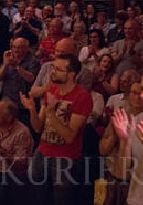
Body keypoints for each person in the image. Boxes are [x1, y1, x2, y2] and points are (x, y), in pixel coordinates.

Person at [21, 54, 93, 205]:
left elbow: (69, 137)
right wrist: (32, 110)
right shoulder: (51, 90)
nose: (52, 71)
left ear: (71, 74)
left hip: (65, 159)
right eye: (53, 67)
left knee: (62, 200)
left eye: (58, 69)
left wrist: (51, 113)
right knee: (36, 196)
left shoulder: (82, 97)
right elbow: (37, 127)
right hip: (42, 151)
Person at [111, 65, 143, 205]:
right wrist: (124, 141)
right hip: (135, 200)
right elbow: (122, 174)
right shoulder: (141, 120)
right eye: (142, 89)